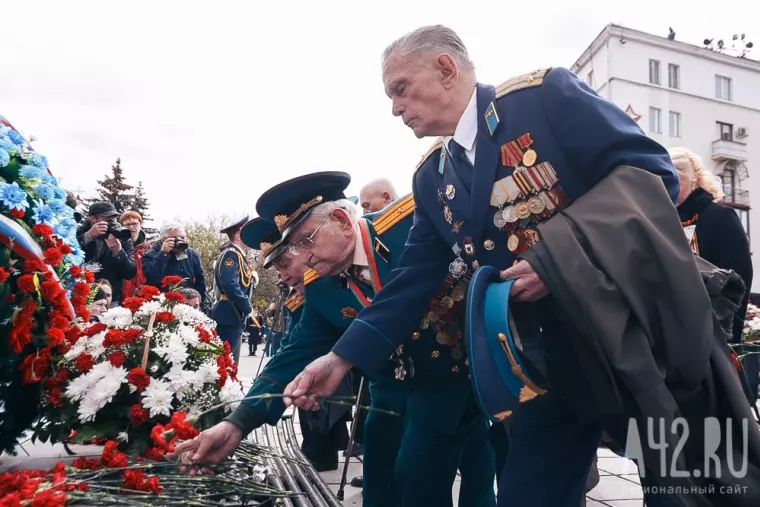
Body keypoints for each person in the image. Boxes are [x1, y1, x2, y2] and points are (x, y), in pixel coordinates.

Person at [281, 26, 691, 507]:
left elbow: (653, 174)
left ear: (446, 69)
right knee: (530, 494)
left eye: (400, 89)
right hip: (540, 365)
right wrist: (340, 358)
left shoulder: (545, 99)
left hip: (631, 341)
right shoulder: (433, 176)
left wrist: (560, 259)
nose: (395, 107)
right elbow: (413, 280)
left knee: (683, 483)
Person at [171, 172, 495, 507]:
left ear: (341, 220)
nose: (302, 258)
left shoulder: (409, 225)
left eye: (304, 242)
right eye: (292, 249)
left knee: (447, 473)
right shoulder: (321, 287)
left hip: (467, 371)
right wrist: (236, 424)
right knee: (387, 480)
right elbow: (293, 354)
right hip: (397, 387)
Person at [670, 147, 756, 399]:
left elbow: (739, 277)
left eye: (673, 180)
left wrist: (728, 336)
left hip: (714, 329)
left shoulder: (719, 216)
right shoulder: (662, 220)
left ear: (692, 179)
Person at [210, 216, 255, 365]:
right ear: (237, 235)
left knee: (228, 360)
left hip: (233, 312)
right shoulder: (231, 254)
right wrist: (247, 307)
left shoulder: (239, 255)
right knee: (222, 360)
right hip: (227, 312)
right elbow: (230, 285)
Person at [76, 202, 137, 304]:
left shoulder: (122, 237)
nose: (111, 223)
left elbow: (130, 273)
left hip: (110, 297)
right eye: (108, 220)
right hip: (81, 293)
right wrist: (88, 236)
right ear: (93, 219)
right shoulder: (79, 231)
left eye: (114, 220)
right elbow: (67, 254)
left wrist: (118, 252)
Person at [141, 222, 206, 302]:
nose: (180, 240)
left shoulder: (191, 254)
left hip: (189, 303)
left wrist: (199, 301)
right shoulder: (151, 254)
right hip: (163, 303)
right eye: (174, 238)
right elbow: (151, 278)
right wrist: (163, 254)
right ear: (163, 239)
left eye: (182, 237)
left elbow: (200, 280)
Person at [119, 211, 151, 301]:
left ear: (140, 224)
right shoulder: (117, 247)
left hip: (144, 295)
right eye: (127, 225)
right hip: (122, 295)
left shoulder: (149, 249)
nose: (131, 227)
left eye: (134, 224)